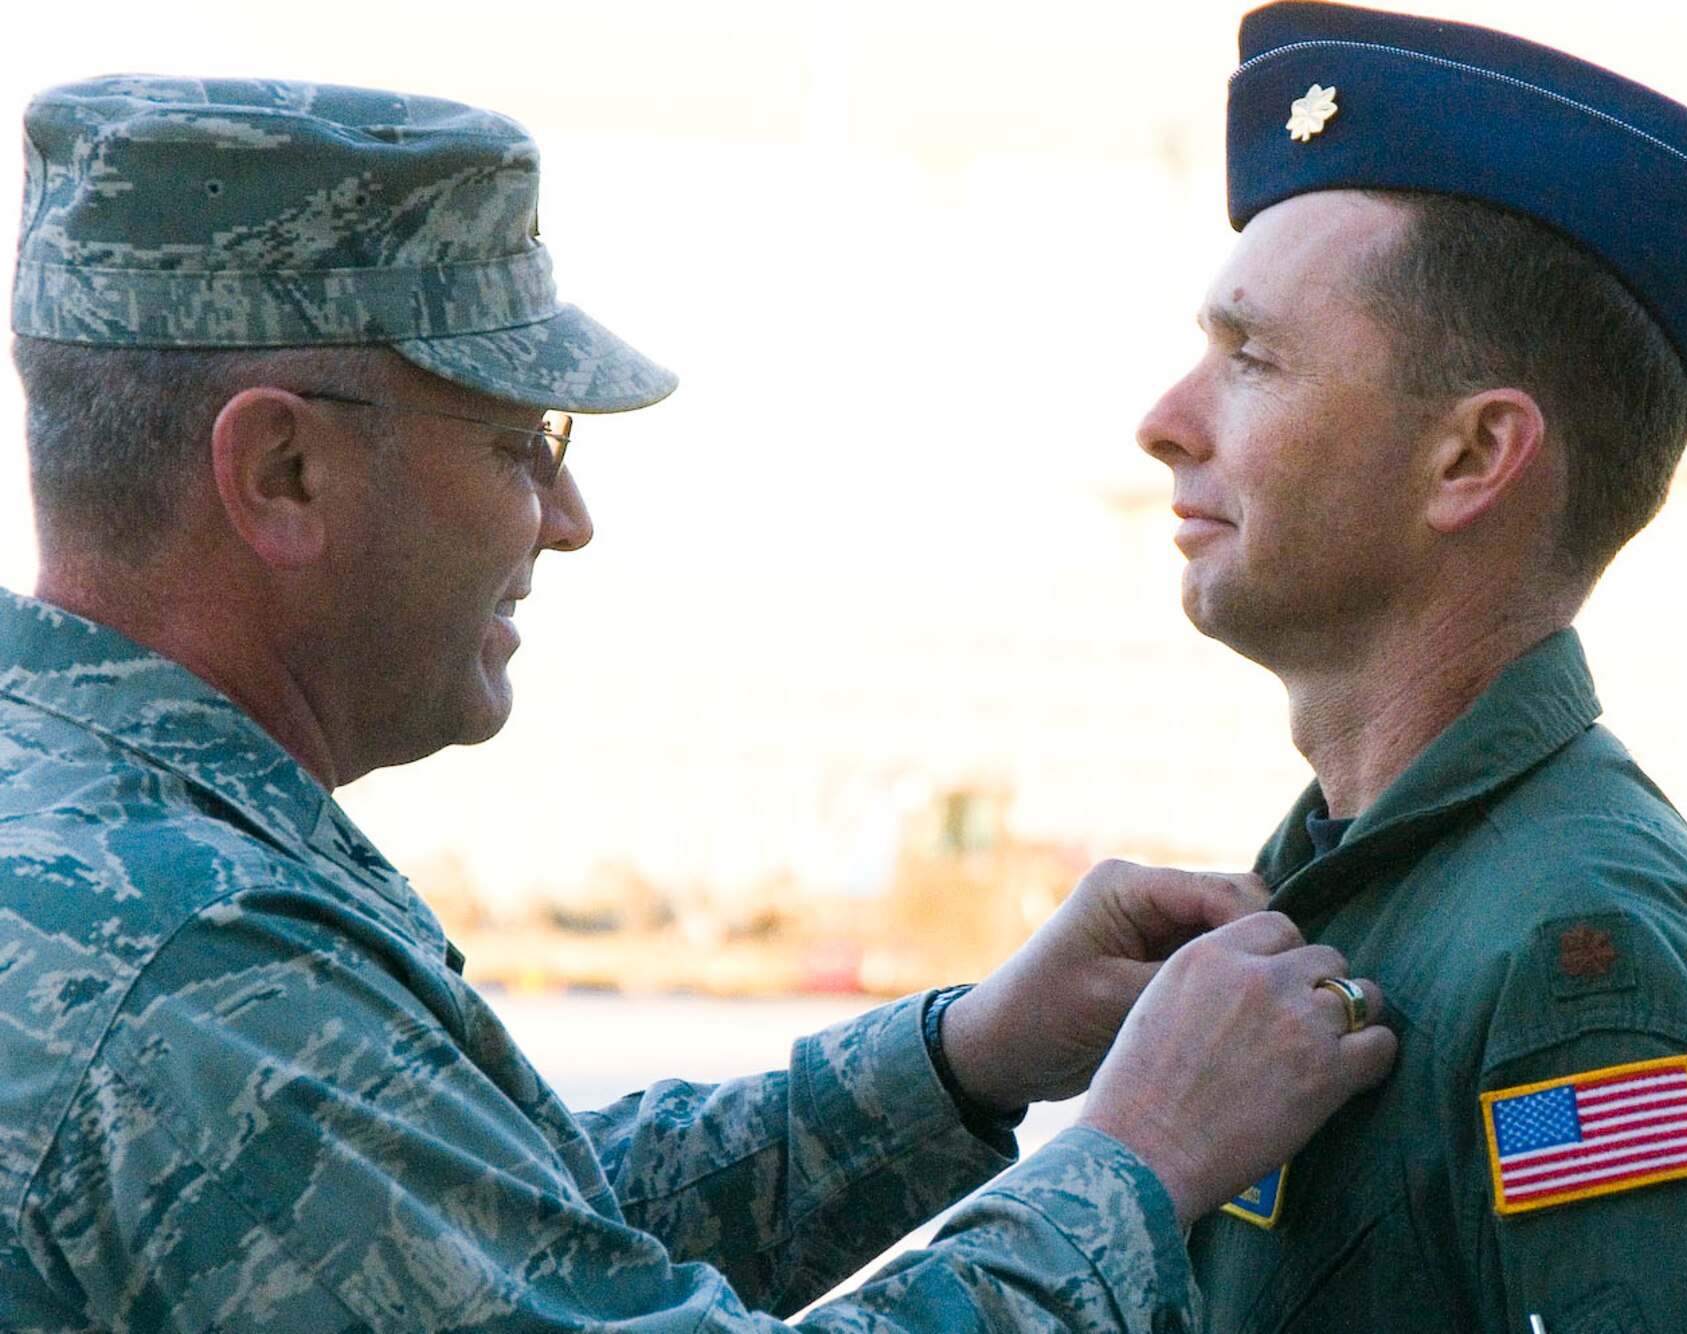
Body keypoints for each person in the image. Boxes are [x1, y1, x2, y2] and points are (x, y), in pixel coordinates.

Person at [0, 77, 1399, 1330]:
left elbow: (490, 1230)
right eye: (518, 440)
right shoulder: (189, 954)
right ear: (283, 473)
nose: (565, 518)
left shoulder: (80, 828)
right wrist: (1141, 1158)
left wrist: (961, 1060)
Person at [1136, 4, 1687, 1331]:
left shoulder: (1577, 959)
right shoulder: (1357, 871)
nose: (1166, 421)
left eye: (1252, 358)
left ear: (1473, 457)